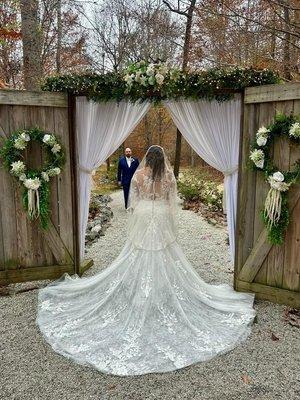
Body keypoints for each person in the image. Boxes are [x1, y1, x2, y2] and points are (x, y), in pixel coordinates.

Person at [37, 145, 256, 377]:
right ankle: (162, 292)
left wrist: (141, 211)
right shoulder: (169, 177)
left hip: (142, 215)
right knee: (165, 254)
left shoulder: (139, 175)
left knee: (136, 253)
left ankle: (138, 293)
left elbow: (133, 201)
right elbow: (173, 206)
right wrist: (168, 221)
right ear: (163, 159)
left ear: (147, 160)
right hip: (161, 216)